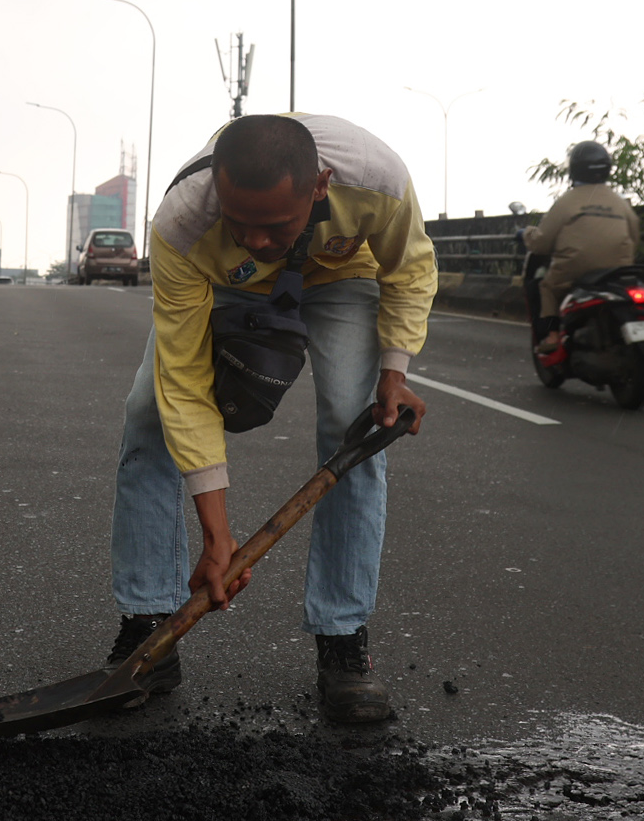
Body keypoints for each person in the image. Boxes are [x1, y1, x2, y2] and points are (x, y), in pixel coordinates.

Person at [108, 114, 434, 723]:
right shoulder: (185, 218)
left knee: (352, 424)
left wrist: (394, 371)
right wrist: (217, 535)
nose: (257, 240)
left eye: (274, 225)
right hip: (227, 285)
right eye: (242, 223)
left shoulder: (377, 180)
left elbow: (409, 269)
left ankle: (342, 643)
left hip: (342, 276)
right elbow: (184, 381)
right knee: (147, 414)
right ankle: (148, 632)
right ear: (220, 197)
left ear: (320, 186)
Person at [524, 141, 640, 356]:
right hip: (619, 271)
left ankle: (552, 336)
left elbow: (542, 243)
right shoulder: (620, 202)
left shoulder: (567, 201)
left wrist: (526, 234)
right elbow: (635, 235)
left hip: (577, 270)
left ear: (574, 168)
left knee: (547, 287)